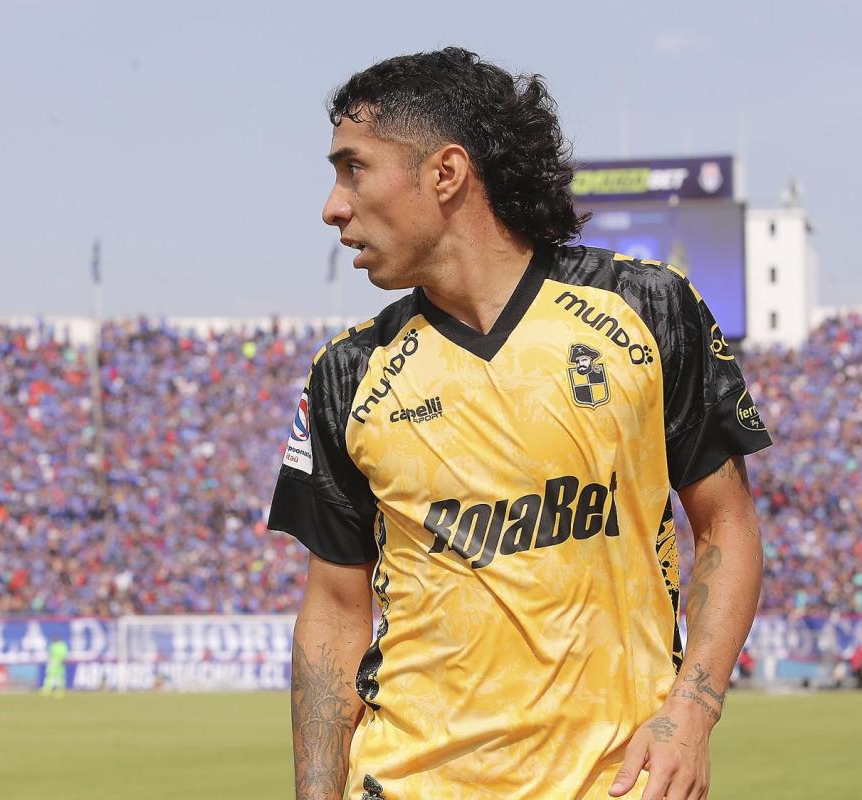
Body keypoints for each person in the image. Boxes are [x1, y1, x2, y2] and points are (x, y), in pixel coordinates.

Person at [268, 47, 771, 800]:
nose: (333, 206)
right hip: (408, 783)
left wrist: (691, 713)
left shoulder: (647, 309)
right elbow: (336, 609)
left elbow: (727, 524)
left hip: (614, 782)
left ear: (446, 172)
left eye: (354, 169)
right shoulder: (347, 372)